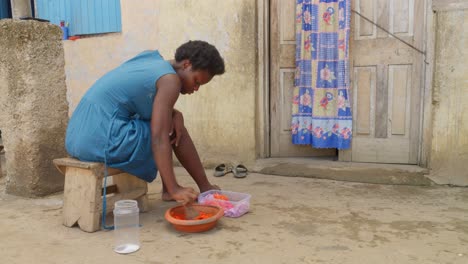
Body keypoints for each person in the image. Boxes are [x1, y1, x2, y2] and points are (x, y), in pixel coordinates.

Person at [65, 40, 225, 205]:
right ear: (186, 65)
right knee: (169, 130)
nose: (196, 88)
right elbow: (158, 137)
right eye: (196, 81)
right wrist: (175, 188)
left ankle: (175, 188)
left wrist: (175, 114)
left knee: (166, 122)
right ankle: (190, 188)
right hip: (100, 137)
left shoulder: (151, 60)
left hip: (78, 136)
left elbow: (146, 108)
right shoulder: (171, 81)